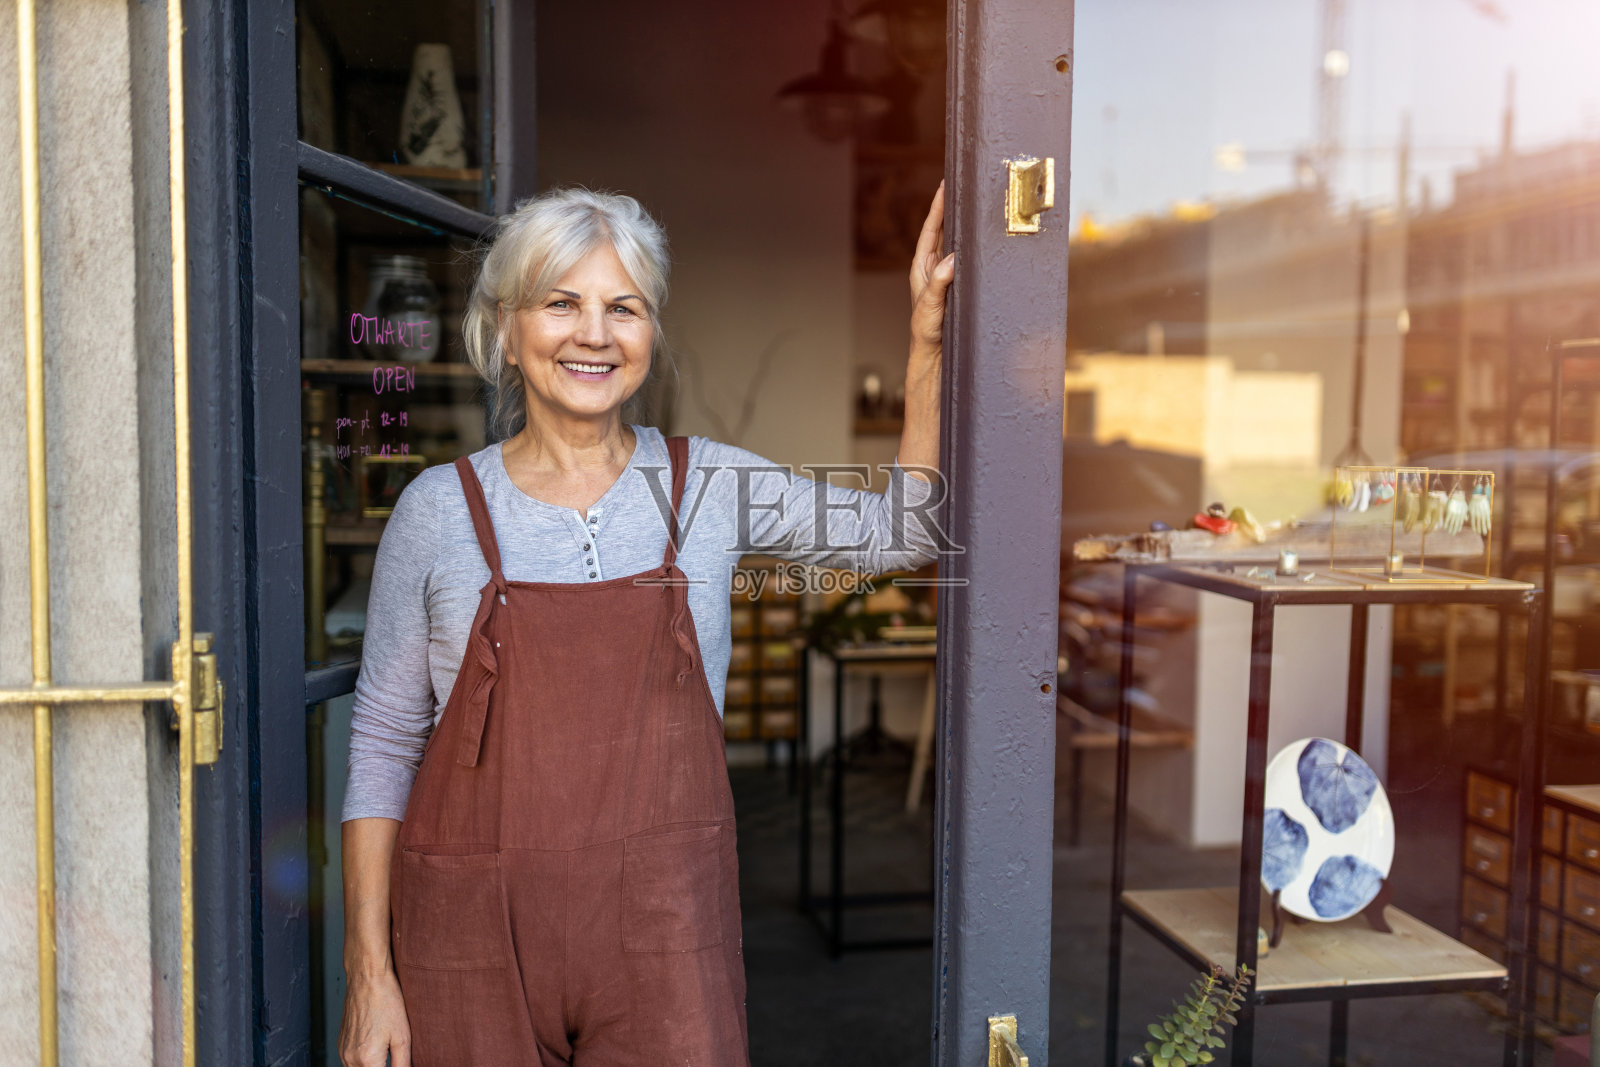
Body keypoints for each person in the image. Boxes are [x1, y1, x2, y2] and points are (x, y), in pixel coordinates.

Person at [337, 184, 954, 1067]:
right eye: (561, 303)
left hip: (665, 936)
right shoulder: (438, 511)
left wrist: (925, 344)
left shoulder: (707, 488)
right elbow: (384, 742)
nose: (595, 333)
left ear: (650, 335)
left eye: (622, 308)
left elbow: (902, 535)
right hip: (471, 941)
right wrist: (369, 974)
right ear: (507, 331)